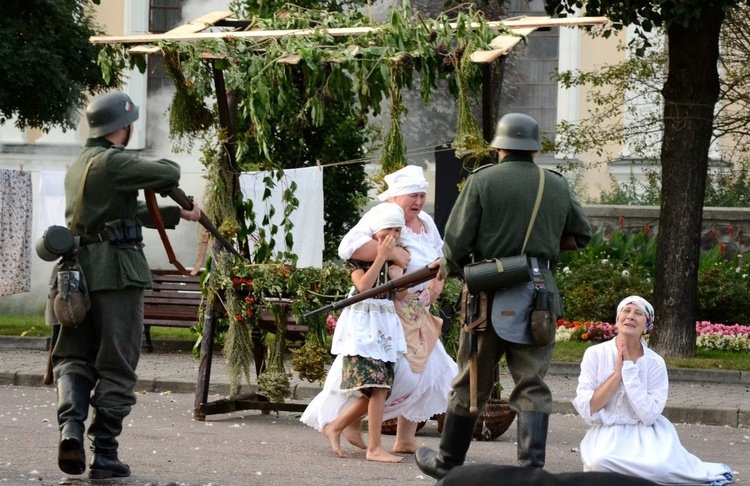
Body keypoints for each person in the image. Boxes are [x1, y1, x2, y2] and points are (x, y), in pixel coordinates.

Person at [415, 112, 592, 479]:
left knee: (472, 380)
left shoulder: (483, 181)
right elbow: (581, 235)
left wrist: (455, 265)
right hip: (538, 298)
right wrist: (537, 252)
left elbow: (457, 242)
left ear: (498, 146)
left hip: (487, 298)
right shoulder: (555, 184)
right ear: (533, 148)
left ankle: (447, 463)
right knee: (533, 383)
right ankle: (532, 470)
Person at [48, 91, 201, 479]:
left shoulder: (81, 162)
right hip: (115, 270)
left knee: (73, 357)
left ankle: (70, 431)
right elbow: (167, 172)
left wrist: (176, 214)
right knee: (117, 362)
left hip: (76, 273)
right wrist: (170, 185)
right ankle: (105, 455)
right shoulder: (113, 161)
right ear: (124, 126)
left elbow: (126, 211)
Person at [301, 165, 457, 455]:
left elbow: (441, 254)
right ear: (397, 196)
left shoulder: (425, 221)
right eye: (413, 195)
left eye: (422, 195)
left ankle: (404, 438)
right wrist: (393, 252)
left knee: (430, 372)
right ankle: (345, 420)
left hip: (416, 309)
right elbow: (349, 248)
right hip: (386, 313)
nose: (419, 202)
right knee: (392, 376)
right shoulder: (381, 217)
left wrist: (437, 283)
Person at [572, 295, 734, 485]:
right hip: (608, 432)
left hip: (647, 433)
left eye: (638, 313)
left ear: (646, 326)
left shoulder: (655, 362)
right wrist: (617, 375)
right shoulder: (595, 354)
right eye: (626, 311)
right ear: (617, 319)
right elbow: (589, 408)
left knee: (661, 470)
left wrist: (630, 372)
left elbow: (648, 416)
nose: (631, 316)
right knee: (599, 464)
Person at [304, 202, 408, 463]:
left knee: (380, 387)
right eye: (387, 230)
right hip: (362, 326)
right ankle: (374, 448)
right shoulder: (359, 256)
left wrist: (398, 276)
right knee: (377, 387)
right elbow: (363, 285)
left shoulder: (398, 255)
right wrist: (383, 257)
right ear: (375, 231)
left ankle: (336, 427)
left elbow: (401, 295)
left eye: (397, 231)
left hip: (384, 326)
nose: (392, 237)